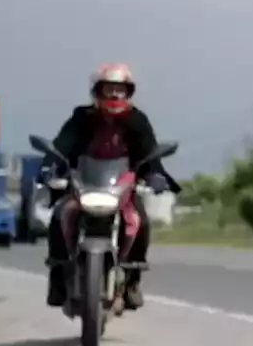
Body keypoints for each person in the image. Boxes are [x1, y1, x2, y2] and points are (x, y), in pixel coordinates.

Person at [42, 63, 180, 311]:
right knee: (61, 215)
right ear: (97, 91)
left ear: (129, 93)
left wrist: (155, 175)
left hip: (121, 188)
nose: (115, 95)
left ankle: (132, 281)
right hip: (83, 183)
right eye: (110, 89)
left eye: (121, 90)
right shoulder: (81, 118)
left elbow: (150, 153)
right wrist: (50, 166)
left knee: (139, 221)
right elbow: (62, 145)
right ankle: (57, 280)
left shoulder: (138, 120)